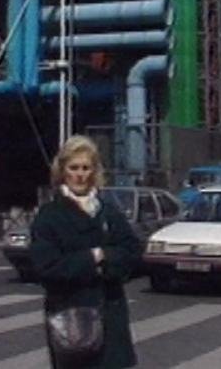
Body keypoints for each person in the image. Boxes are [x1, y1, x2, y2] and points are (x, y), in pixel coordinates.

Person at [29, 135, 141, 369]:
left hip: (112, 316)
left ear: (94, 172)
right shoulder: (50, 215)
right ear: (62, 171)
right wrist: (93, 258)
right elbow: (46, 268)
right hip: (73, 319)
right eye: (74, 168)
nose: (80, 174)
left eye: (86, 168)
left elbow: (132, 253)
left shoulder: (108, 212)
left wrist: (107, 258)